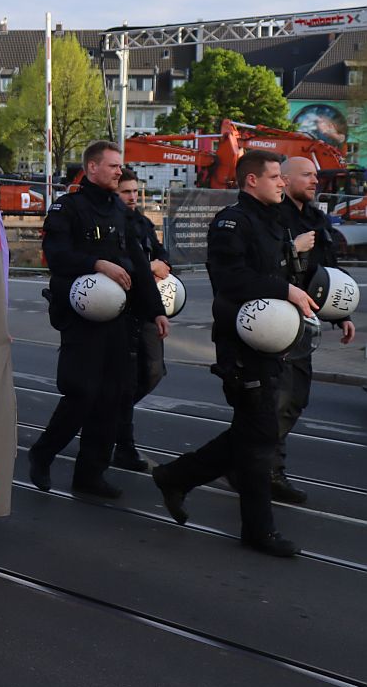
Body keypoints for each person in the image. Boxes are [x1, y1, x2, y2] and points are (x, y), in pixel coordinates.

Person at [153, 151, 321, 558]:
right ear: (251, 181)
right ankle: (258, 531)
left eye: (283, 177)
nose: (282, 183)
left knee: (254, 432)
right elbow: (231, 279)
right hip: (243, 341)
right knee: (260, 436)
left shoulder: (273, 220)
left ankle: (176, 475)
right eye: (275, 177)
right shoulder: (233, 222)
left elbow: (285, 271)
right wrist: (286, 292)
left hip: (272, 339)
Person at [28, 141, 168, 500]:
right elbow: (57, 256)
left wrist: (155, 311)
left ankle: (91, 473)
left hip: (119, 320)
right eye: (112, 166)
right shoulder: (68, 208)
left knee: (113, 397)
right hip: (81, 317)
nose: (119, 171)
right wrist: (96, 264)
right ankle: (43, 453)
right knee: (81, 393)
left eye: (121, 166)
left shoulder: (121, 213)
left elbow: (137, 262)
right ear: (92, 168)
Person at [273, 156, 355, 502]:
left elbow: (328, 269)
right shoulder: (273, 214)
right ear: (285, 179)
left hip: (308, 322)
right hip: (276, 320)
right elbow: (259, 263)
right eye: (306, 175)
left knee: (296, 399)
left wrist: (342, 312)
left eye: (316, 175)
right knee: (276, 402)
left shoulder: (316, 218)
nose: (314, 180)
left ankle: (253, 464)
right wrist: (291, 249)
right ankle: (268, 472)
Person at [113, 168, 170, 472]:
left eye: (135, 191)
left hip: (147, 308)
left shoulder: (143, 223)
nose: (133, 197)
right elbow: (123, 265)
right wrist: (151, 267)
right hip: (122, 311)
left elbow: (162, 256)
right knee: (126, 381)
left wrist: (160, 264)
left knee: (153, 372)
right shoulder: (113, 224)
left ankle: (107, 418)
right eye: (126, 192)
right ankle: (123, 444)